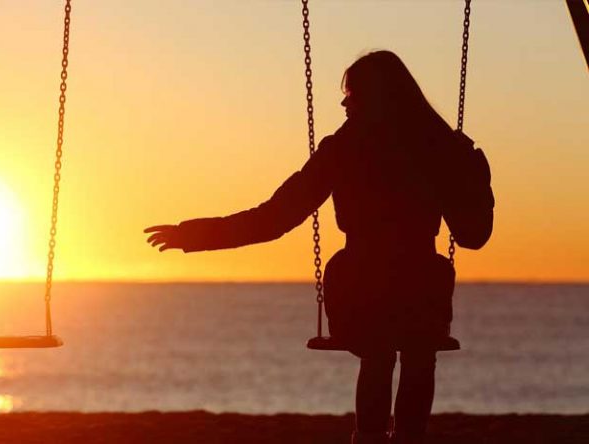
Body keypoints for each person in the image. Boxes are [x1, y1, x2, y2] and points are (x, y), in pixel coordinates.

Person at [145, 50, 492, 444]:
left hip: (363, 287)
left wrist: (194, 236)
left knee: (379, 352)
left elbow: (274, 218)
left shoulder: (344, 149)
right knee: (418, 354)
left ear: (373, 98)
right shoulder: (437, 146)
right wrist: (475, 177)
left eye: (351, 95)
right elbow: (474, 235)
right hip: (419, 290)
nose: (344, 104)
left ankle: (370, 437)